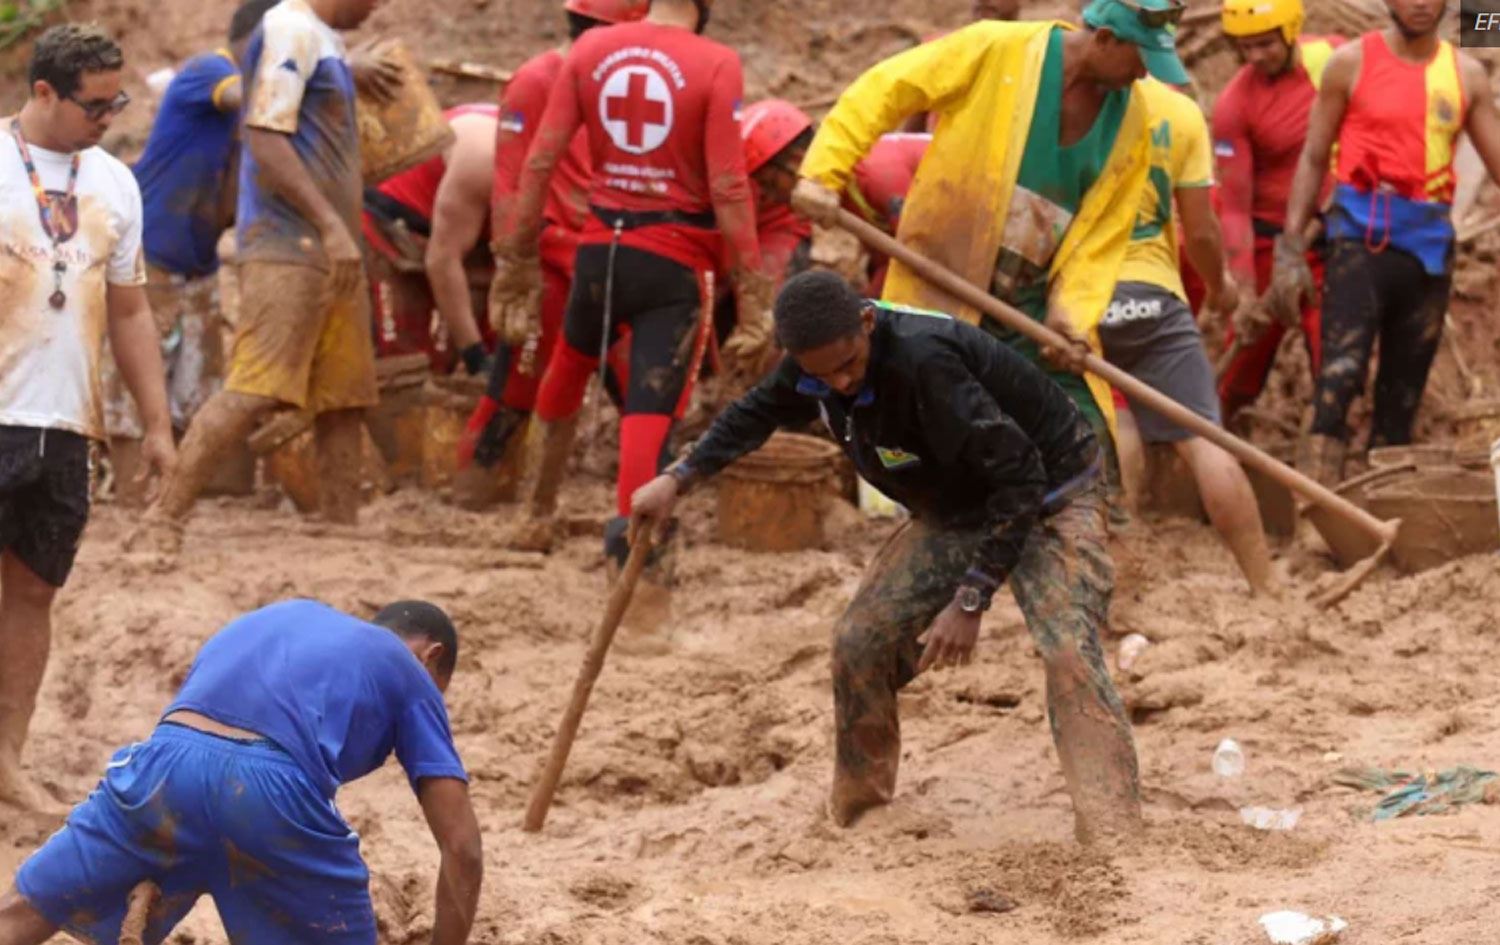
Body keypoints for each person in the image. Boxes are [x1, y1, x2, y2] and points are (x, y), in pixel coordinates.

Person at [631, 272, 1141, 843]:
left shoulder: (927, 362)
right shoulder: (816, 365)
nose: (841, 384)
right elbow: (755, 413)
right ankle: (864, 808)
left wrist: (970, 599)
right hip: (955, 504)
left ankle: (1111, 827)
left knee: (1068, 648)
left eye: (849, 365)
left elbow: (1020, 478)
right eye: (822, 375)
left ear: (867, 323)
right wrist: (678, 479)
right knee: (860, 641)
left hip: (1049, 493)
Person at [792, 1, 1191, 464]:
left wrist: (1071, 316)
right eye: (1141, 59)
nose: (1143, 75)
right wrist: (824, 172)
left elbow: (1102, 232)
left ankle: (1080, 533)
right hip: (943, 275)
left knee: (1083, 432)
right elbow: (886, 88)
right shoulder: (999, 51)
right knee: (939, 428)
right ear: (1105, 39)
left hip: (1031, 303)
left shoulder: (1131, 121)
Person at [0, 599, 482, 945]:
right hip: (270, 791)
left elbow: (203, 742)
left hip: (160, 769)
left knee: (22, 911)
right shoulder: (408, 668)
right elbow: (462, 848)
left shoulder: (280, 619)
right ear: (430, 655)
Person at [489, 0, 774, 571]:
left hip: (599, 251)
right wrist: (754, 295)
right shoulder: (718, 63)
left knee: (567, 366)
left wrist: (515, 259)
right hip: (673, 261)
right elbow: (728, 184)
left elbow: (540, 162)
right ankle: (635, 563)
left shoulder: (592, 49)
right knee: (649, 408)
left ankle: (534, 515)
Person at [132, 0, 386, 550]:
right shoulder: (290, 28)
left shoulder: (325, 40)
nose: (380, 7)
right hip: (288, 243)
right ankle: (163, 518)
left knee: (344, 392)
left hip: (331, 247)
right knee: (253, 385)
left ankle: (341, 526)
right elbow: (266, 137)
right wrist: (330, 225)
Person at [0, 25, 176, 812]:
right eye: (95, 105)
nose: (110, 117)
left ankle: (6, 757)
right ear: (43, 92)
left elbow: (132, 311)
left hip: (69, 422)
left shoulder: (116, 182)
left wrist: (158, 423)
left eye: (118, 102)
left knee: (34, 591)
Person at [1276, 0, 1500, 484]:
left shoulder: (1467, 75)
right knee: (1339, 375)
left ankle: (1384, 504)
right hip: (1360, 239)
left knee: (1403, 392)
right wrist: (1290, 247)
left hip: (1429, 251)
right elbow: (1314, 158)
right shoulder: (1350, 63)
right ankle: (1313, 510)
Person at [1096, 77, 1280, 596]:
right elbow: (1200, 235)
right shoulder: (1179, 114)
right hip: (1154, 292)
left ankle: (1118, 581)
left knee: (1117, 430)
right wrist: (1223, 294)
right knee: (1203, 437)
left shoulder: (1080, 101)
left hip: (1087, 294)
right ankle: (1266, 585)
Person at [101, 0, 279, 506]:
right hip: (149, 252)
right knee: (135, 385)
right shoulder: (211, 71)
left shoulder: (244, 117)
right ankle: (136, 499)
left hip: (196, 260)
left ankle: (217, 494)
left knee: (205, 385)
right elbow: (251, 99)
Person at [461, 0, 649, 470]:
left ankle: (643, 500)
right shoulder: (537, 81)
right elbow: (511, 181)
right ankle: (478, 489)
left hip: (614, 255)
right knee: (516, 391)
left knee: (643, 390)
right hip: (551, 261)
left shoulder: (630, 83)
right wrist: (513, 265)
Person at [1213, 0, 1341, 421]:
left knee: (1335, 353)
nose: (1255, 57)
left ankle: (1330, 445)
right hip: (1269, 243)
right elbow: (1233, 209)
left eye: (1266, 44)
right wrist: (1247, 292)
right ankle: (1221, 433)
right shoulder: (1235, 105)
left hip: (1332, 236)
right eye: (1244, 47)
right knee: (1243, 359)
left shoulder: (1334, 61)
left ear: (1290, 32)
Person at [362, 102, 501, 372]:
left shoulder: (579, 161)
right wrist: (475, 355)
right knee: (408, 357)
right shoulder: (483, 157)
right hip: (396, 221)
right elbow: (442, 261)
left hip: (468, 220)